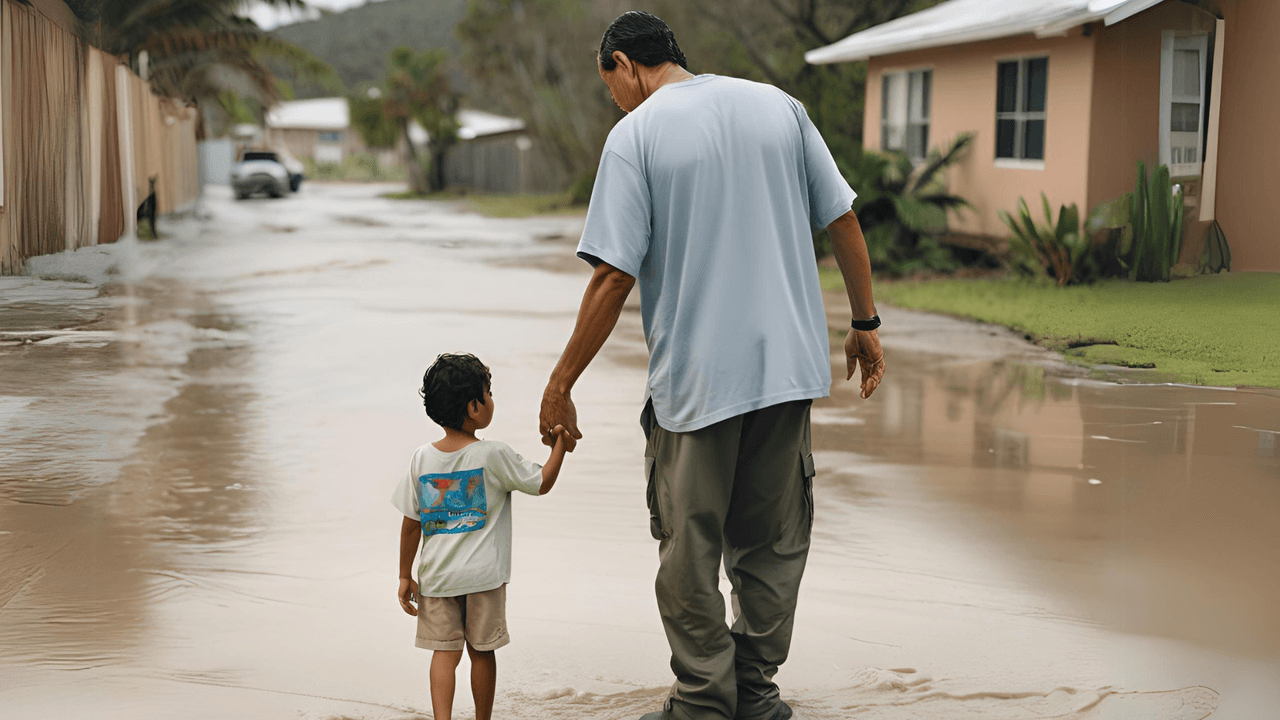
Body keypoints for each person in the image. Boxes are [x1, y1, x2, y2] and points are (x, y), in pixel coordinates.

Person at [537, 11, 886, 720]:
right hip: (788, 372)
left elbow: (612, 277)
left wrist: (561, 381)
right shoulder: (780, 107)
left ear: (623, 65)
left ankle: (702, 700)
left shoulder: (636, 135)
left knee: (688, 547)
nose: (614, 99)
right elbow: (843, 217)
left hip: (698, 383)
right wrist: (865, 322)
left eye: (610, 84)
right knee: (775, 542)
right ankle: (754, 693)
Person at [394, 353, 574, 720]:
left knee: (444, 653)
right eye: (488, 393)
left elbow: (411, 522)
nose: (492, 399)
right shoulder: (492, 455)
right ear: (474, 407)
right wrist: (560, 444)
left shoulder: (420, 459)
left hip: (438, 577)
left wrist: (403, 574)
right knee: (481, 651)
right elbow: (542, 482)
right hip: (483, 578)